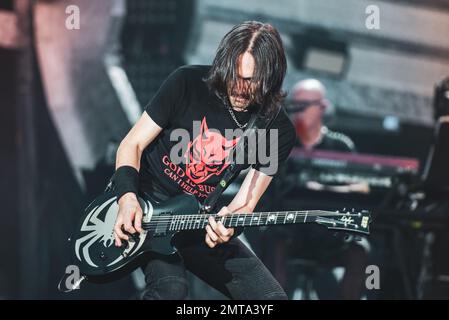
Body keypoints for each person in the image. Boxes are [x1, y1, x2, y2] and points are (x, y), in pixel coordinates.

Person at [111, 21, 296, 300]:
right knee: (171, 289)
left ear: (271, 77)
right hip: (146, 207)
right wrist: (127, 198)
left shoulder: (275, 129)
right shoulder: (186, 83)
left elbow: (244, 205)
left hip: (197, 220)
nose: (239, 88)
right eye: (234, 75)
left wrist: (228, 226)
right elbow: (132, 144)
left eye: (251, 80)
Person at [264, 78, 369, 299]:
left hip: (331, 232)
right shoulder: (282, 143)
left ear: (322, 108)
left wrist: (323, 189)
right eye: (293, 106)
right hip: (293, 229)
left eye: (304, 106)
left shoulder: (340, 146)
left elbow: (362, 187)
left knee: (360, 247)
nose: (297, 112)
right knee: (274, 239)